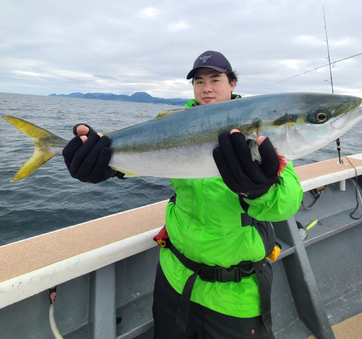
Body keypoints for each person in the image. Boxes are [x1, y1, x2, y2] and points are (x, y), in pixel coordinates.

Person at [63, 50, 303, 339]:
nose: (206, 88)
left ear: (233, 84)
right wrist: (109, 167)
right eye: (199, 81)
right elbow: (150, 157)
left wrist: (261, 189)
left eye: (215, 79)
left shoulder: (258, 127)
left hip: (235, 292)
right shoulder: (175, 123)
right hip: (174, 278)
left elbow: (285, 204)